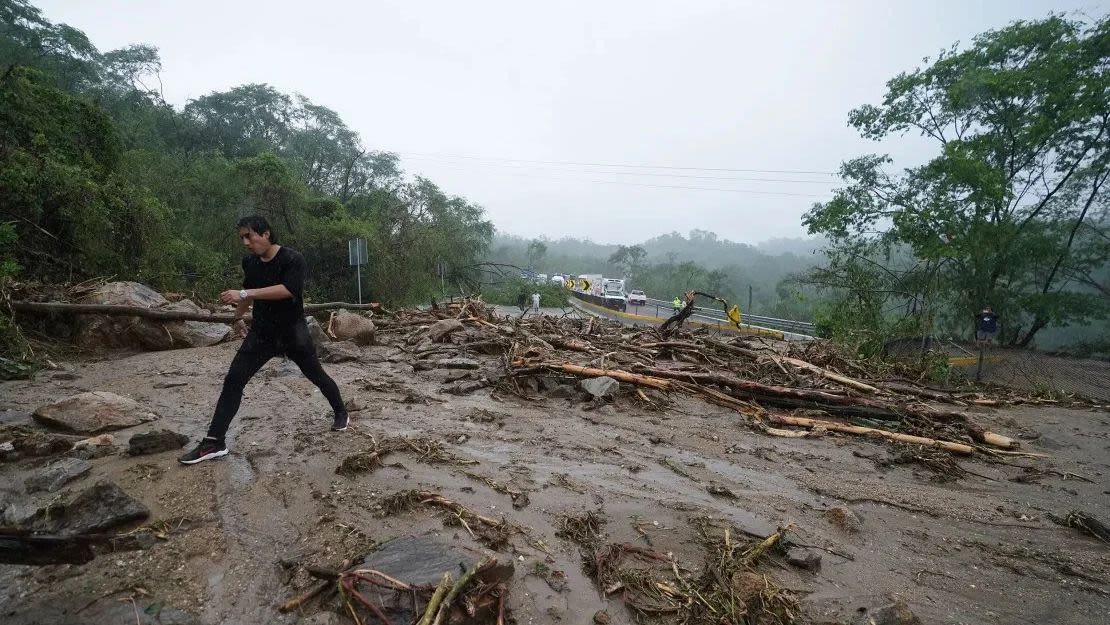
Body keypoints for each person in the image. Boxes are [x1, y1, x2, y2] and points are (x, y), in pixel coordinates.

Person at [178, 215, 349, 465]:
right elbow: (248, 292)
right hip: (262, 334)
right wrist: (237, 317)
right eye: (242, 238)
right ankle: (214, 442)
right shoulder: (250, 262)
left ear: (266, 234)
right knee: (233, 380)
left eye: (249, 236)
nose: (246, 242)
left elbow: (287, 290)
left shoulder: (293, 259)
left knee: (316, 375)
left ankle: (341, 412)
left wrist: (245, 293)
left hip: (293, 332)